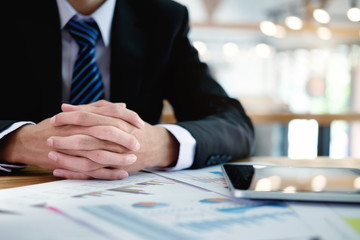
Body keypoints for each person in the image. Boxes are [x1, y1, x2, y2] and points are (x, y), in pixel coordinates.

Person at [0, 0, 254, 180]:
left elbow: (235, 126)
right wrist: (16, 143)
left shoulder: (164, 19)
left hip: (126, 190)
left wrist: (160, 144)